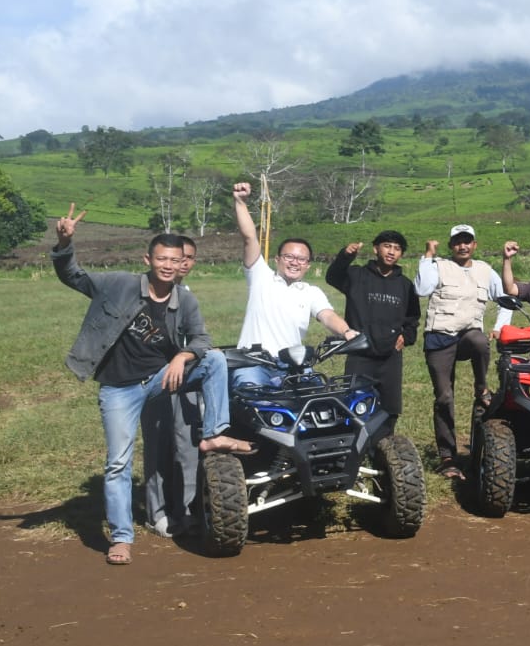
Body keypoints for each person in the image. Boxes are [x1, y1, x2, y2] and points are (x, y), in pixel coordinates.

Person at [52, 205, 250, 566]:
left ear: (183, 264)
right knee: (118, 464)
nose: (169, 266)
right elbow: (73, 276)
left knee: (216, 360)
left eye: (176, 261)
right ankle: (122, 538)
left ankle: (214, 433)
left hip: (160, 380)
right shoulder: (119, 284)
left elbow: (202, 340)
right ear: (149, 259)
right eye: (162, 259)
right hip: (119, 389)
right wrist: (65, 243)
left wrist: (182, 357)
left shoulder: (185, 299)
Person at [231, 181, 355, 389]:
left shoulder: (310, 292)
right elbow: (249, 238)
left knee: (321, 399)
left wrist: (347, 332)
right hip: (253, 362)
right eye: (289, 256)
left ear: (308, 265)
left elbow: (328, 316)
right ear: (276, 259)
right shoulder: (261, 276)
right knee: (251, 395)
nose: (294, 262)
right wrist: (240, 202)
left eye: (301, 259)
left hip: (294, 363)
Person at [416, 223, 511, 479]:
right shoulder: (438, 266)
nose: (463, 245)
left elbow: (507, 300)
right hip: (440, 337)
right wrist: (427, 256)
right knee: (444, 397)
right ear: (451, 246)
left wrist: (500, 327)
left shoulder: (485, 270)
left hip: (468, 337)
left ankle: (481, 388)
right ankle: (448, 458)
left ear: (474, 245)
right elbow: (422, 289)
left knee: (480, 341)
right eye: (457, 241)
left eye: (467, 240)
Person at [141, 235, 201, 539]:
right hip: (153, 379)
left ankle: (187, 509)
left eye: (188, 258)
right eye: (179, 257)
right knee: (158, 445)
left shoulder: (186, 294)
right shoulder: (145, 294)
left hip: (187, 377)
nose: (183, 263)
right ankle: (158, 512)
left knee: (187, 445)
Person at [325, 229, 420, 417]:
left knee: (390, 409)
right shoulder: (356, 275)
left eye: (397, 248)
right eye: (387, 246)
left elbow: (412, 317)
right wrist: (345, 256)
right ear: (376, 249)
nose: (392, 252)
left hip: (390, 355)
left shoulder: (405, 285)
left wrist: (406, 337)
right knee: (354, 406)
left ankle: (386, 445)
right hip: (360, 353)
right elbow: (332, 277)